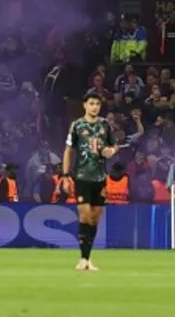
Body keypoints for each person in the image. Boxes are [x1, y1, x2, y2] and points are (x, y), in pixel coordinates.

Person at [63, 91, 118, 271]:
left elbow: (113, 145)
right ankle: (83, 258)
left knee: (94, 218)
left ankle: (87, 258)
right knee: (84, 214)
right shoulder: (77, 126)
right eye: (92, 103)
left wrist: (111, 151)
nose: (95, 107)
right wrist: (65, 175)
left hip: (100, 178)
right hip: (82, 177)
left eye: (97, 104)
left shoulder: (105, 125)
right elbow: (68, 151)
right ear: (85, 105)